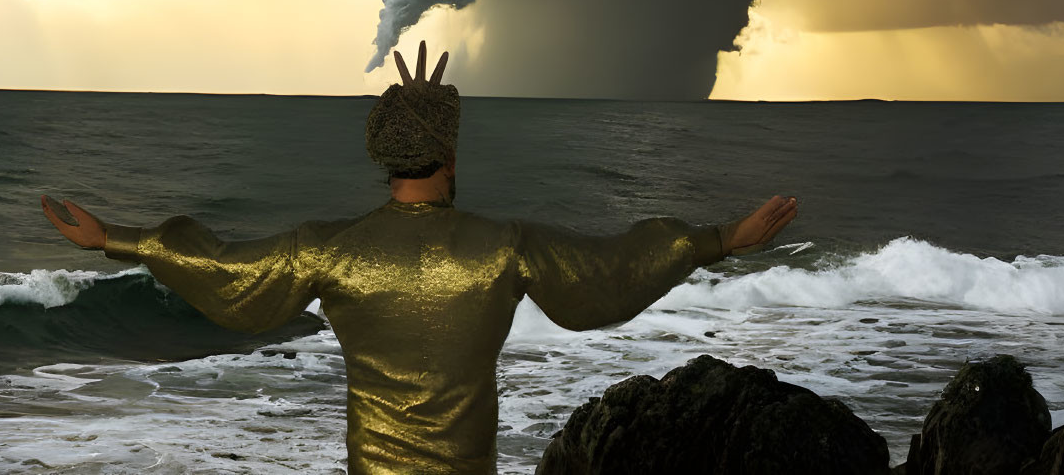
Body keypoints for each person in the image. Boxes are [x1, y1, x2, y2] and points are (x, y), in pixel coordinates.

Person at [42, 43, 798, 475]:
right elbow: (607, 274)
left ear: (384, 156)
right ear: (450, 150)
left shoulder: (328, 249)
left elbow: (226, 270)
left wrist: (119, 239)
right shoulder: (503, 245)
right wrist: (716, 241)